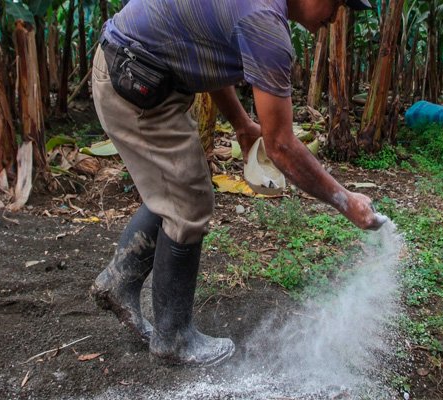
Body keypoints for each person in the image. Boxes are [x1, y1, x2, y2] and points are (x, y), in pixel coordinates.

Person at [90, 0, 386, 367]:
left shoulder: (259, 9)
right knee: (188, 202)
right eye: (339, 3)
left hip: (138, 68)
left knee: (174, 188)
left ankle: (119, 283)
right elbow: (280, 146)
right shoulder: (265, 24)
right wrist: (345, 200)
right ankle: (173, 338)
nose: (338, 15)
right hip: (134, 79)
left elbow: (209, 56)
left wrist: (243, 125)